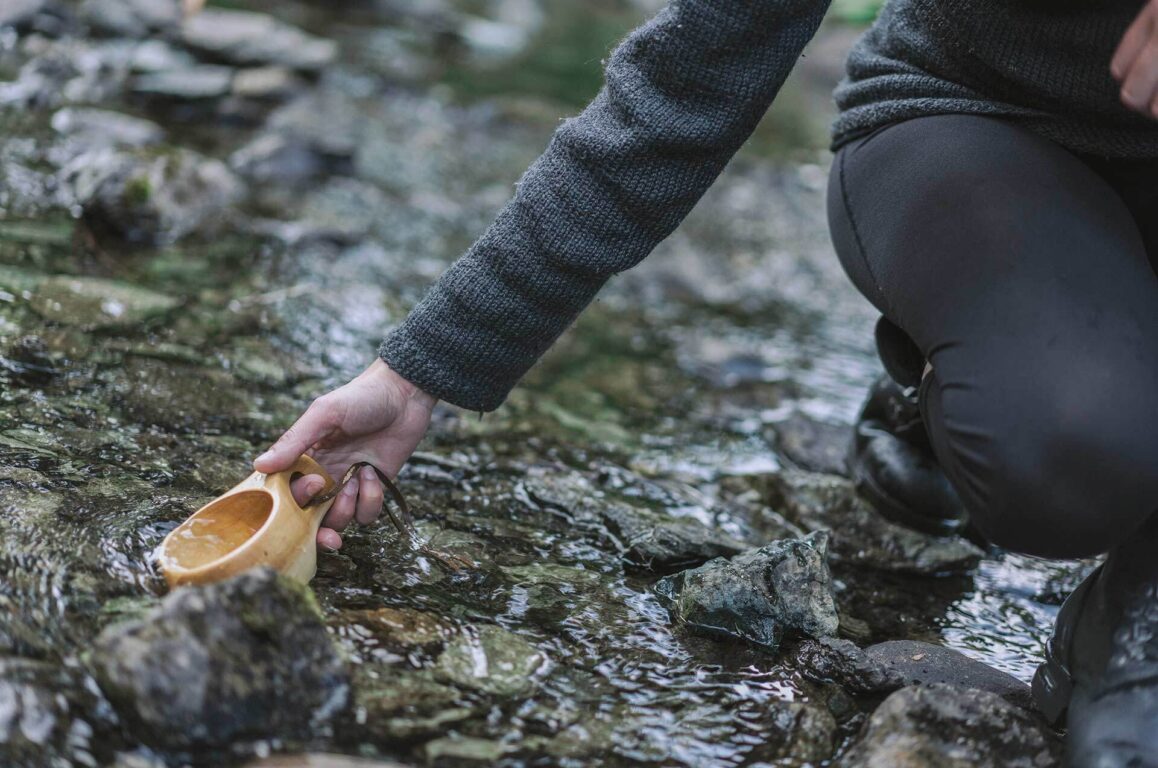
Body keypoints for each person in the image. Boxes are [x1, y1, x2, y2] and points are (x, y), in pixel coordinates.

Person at [253, 1, 1158, 763]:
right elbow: (687, 79)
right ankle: (948, 365)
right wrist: (421, 370)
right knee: (1065, 449)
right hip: (983, 123)